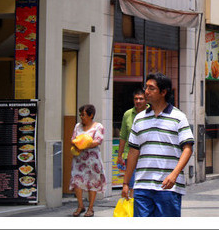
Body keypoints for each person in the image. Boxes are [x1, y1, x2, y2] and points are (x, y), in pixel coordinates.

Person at [122, 72, 194, 217]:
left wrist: (174, 175)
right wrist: (126, 183)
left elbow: (187, 149)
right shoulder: (139, 119)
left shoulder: (179, 117)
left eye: (151, 88)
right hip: (142, 185)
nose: (146, 92)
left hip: (168, 187)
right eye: (146, 87)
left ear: (163, 92)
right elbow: (133, 152)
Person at [69, 104, 106, 217]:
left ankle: (90, 208)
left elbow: (97, 141)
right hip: (79, 159)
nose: (81, 117)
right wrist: (77, 143)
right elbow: (73, 139)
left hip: (92, 159)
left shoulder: (98, 126)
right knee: (76, 181)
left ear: (91, 115)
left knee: (92, 182)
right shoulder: (77, 126)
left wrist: (83, 144)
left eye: (83, 115)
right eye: (80, 114)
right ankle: (80, 205)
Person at [116, 88, 147, 196]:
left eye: (141, 99)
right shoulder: (128, 114)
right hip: (130, 154)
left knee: (144, 184)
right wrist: (119, 155)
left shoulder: (152, 113)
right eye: (136, 99)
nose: (138, 101)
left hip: (147, 155)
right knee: (132, 184)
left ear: (146, 100)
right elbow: (123, 136)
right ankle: (133, 208)